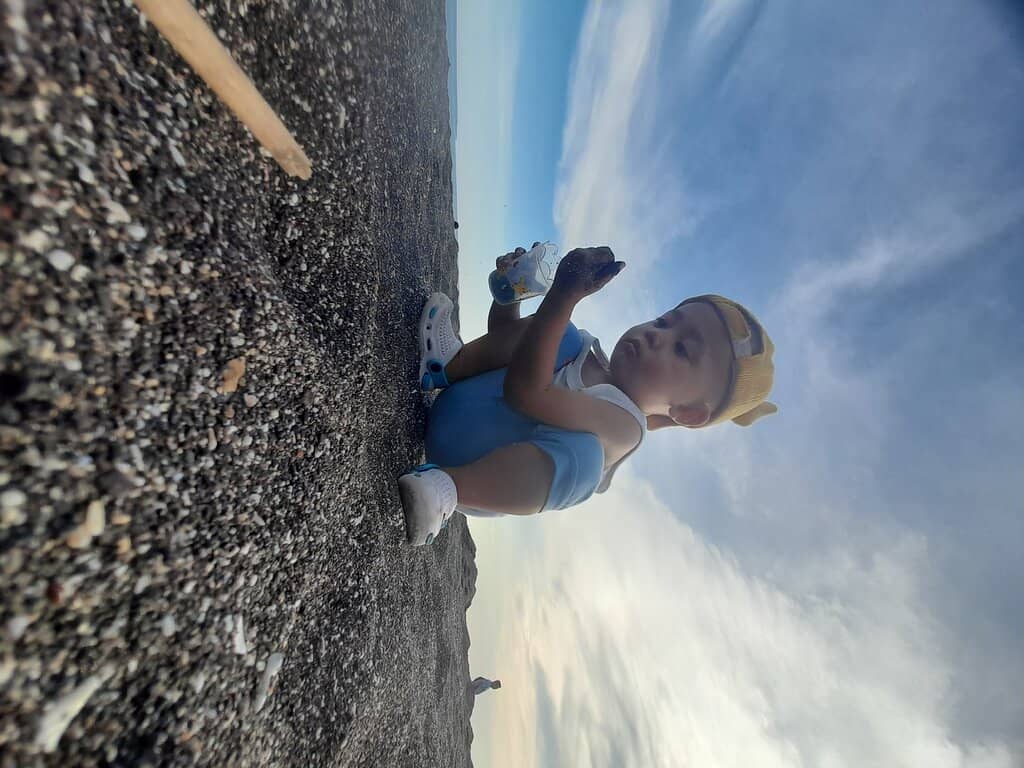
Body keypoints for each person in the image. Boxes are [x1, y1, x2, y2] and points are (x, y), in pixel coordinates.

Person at [399, 245, 777, 545]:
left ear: (689, 413)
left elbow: (525, 394)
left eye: (682, 350)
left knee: (583, 462)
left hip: (462, 464)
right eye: (664, 321)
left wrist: (562, 298)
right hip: (457, 406)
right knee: (563, 334)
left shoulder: (624, 426)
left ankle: (444, 492)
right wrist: (510, 297)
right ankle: (444, 365)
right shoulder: (580, 349)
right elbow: (510, 360)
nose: (656, 335)